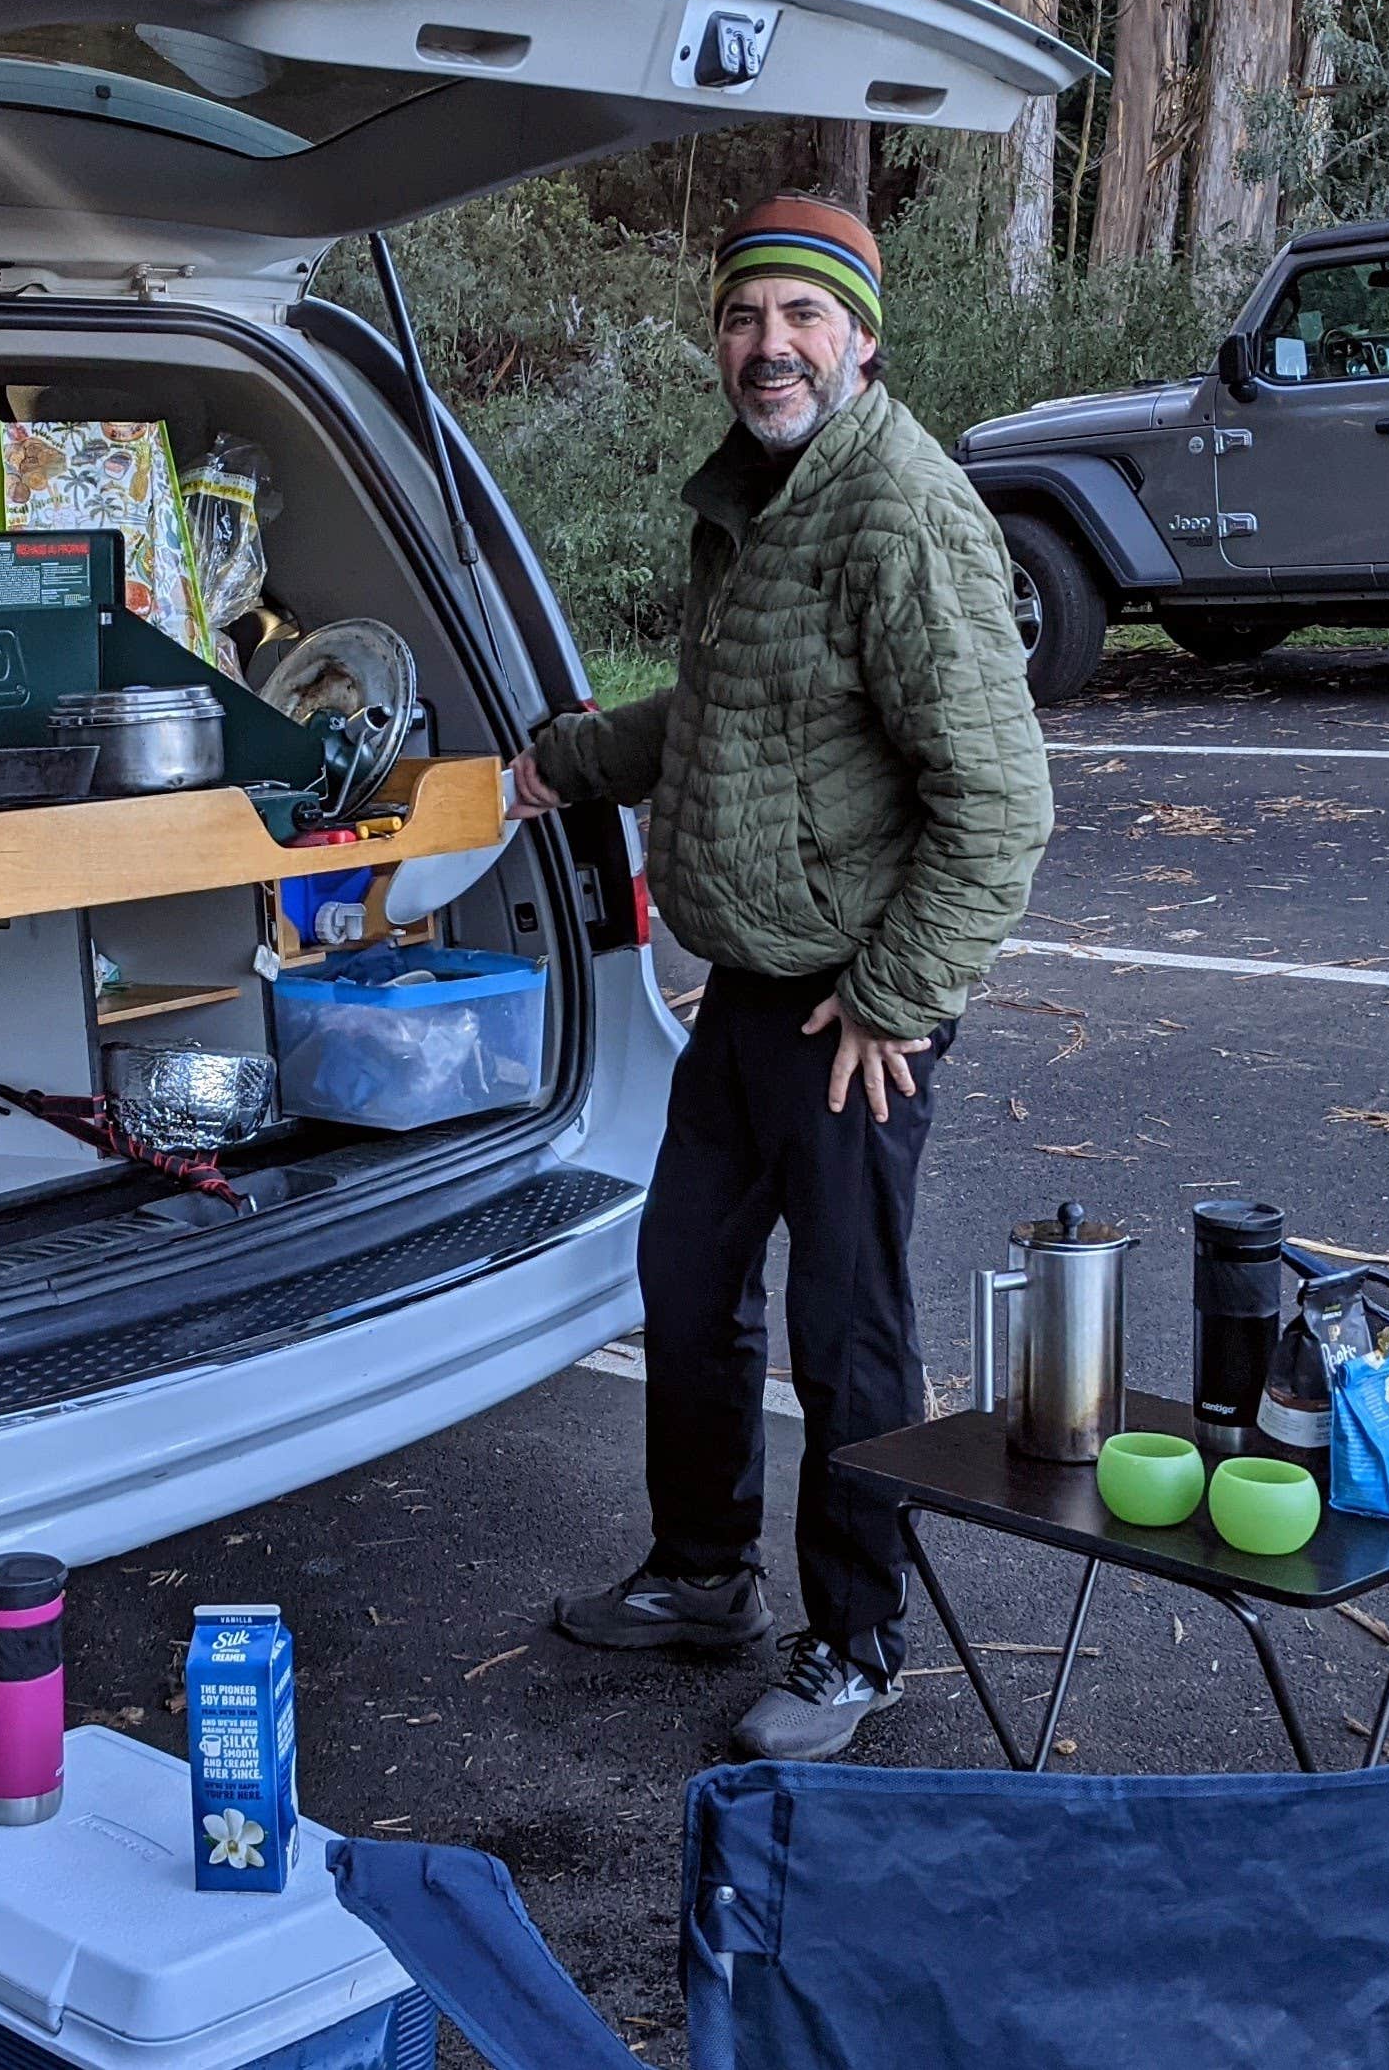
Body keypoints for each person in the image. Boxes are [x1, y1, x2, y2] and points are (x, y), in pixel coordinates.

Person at [510, 192, 1053, 1762]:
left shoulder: (900, 510)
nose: (770, 345)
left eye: (804, 317)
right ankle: (702, 1576)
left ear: (863, 337)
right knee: (685, 1283)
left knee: (848, 1328)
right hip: (745, 992)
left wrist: (898, 992)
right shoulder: (764, 491)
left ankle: (858, 1641)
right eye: (747, 316)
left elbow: (1003, 799)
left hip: (847, 1013)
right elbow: (730, 706)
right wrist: (570, 763)